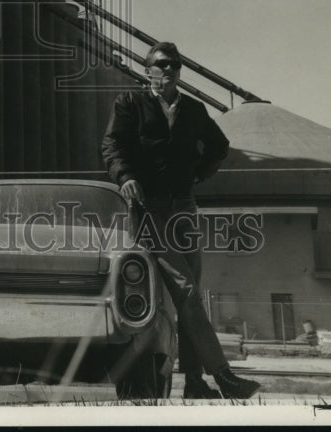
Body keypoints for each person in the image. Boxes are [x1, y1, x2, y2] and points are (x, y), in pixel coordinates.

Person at [101, 41, 260, 400]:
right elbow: (111, 146)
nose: (169, 70)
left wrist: (198, 175)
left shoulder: (194, 110)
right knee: (186, 290)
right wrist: (125, 176)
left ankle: (194, 382)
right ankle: (223, 376)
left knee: (191, 300)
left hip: (184, 209)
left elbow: (219, 146)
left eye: (174, 65)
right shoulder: (129, 104)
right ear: (148, 71)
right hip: (148, 212)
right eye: (161, 65)